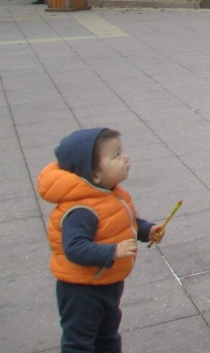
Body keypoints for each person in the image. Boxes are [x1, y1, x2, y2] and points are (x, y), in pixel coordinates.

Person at [37, 127, 164, 352]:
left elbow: (123, 223)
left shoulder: (108, 194)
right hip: (81, 290)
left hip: (106, 283)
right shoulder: (82, 209)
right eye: (116, 155)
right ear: (95, 174)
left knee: (107, 336)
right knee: (79, 342)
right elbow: (74, 248)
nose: (125, 158)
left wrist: (146, 231)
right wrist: (111, 252)